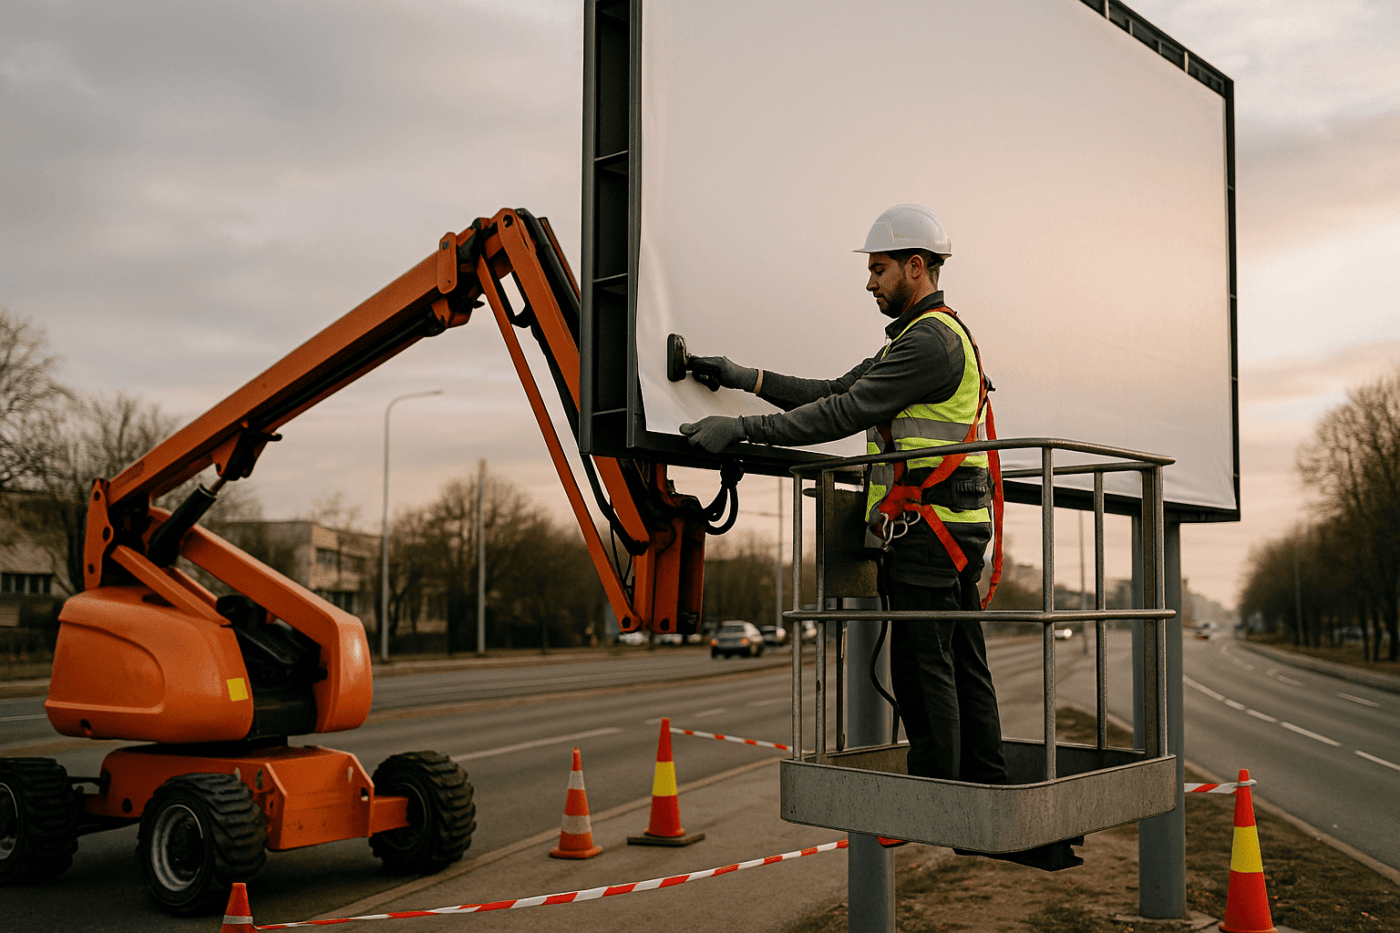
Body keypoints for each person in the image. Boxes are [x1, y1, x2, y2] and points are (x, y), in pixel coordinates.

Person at [679, 204, 1079, 871]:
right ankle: (987, 787)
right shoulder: (919, 338)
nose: (869, 282)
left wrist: (740, 430)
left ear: (915, 267)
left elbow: (843, 411)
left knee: (925, 667)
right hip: (948, 528)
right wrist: (740, 376)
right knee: (959, 660)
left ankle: (942, 796)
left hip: (930, 530)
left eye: (878, 268)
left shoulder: (929, 342)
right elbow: (837, 387)